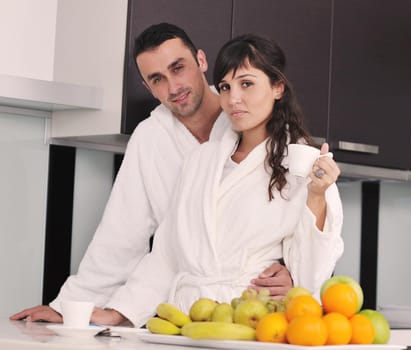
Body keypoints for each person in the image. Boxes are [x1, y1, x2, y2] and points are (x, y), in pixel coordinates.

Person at [10, 23, 293, 325]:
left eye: (178, 68)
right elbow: (121, 236)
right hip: (186, 311)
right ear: (147, 87)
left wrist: (292, 269)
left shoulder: (254, 118)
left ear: (200, 61)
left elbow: (302, 220)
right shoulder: (150, 139)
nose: (173, 87)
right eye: (157, 79)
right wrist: (70, 307)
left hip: (260, 306)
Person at [96, 33, 345, 327]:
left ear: (277, 87)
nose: (234, 98)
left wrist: (317, 195)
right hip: (188, 319)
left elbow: (314, 271)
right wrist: (119, 312)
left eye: (247, 84)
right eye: (225, 87)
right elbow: (167, 256)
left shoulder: (303, 164)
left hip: (256, 322)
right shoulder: (201, 162)